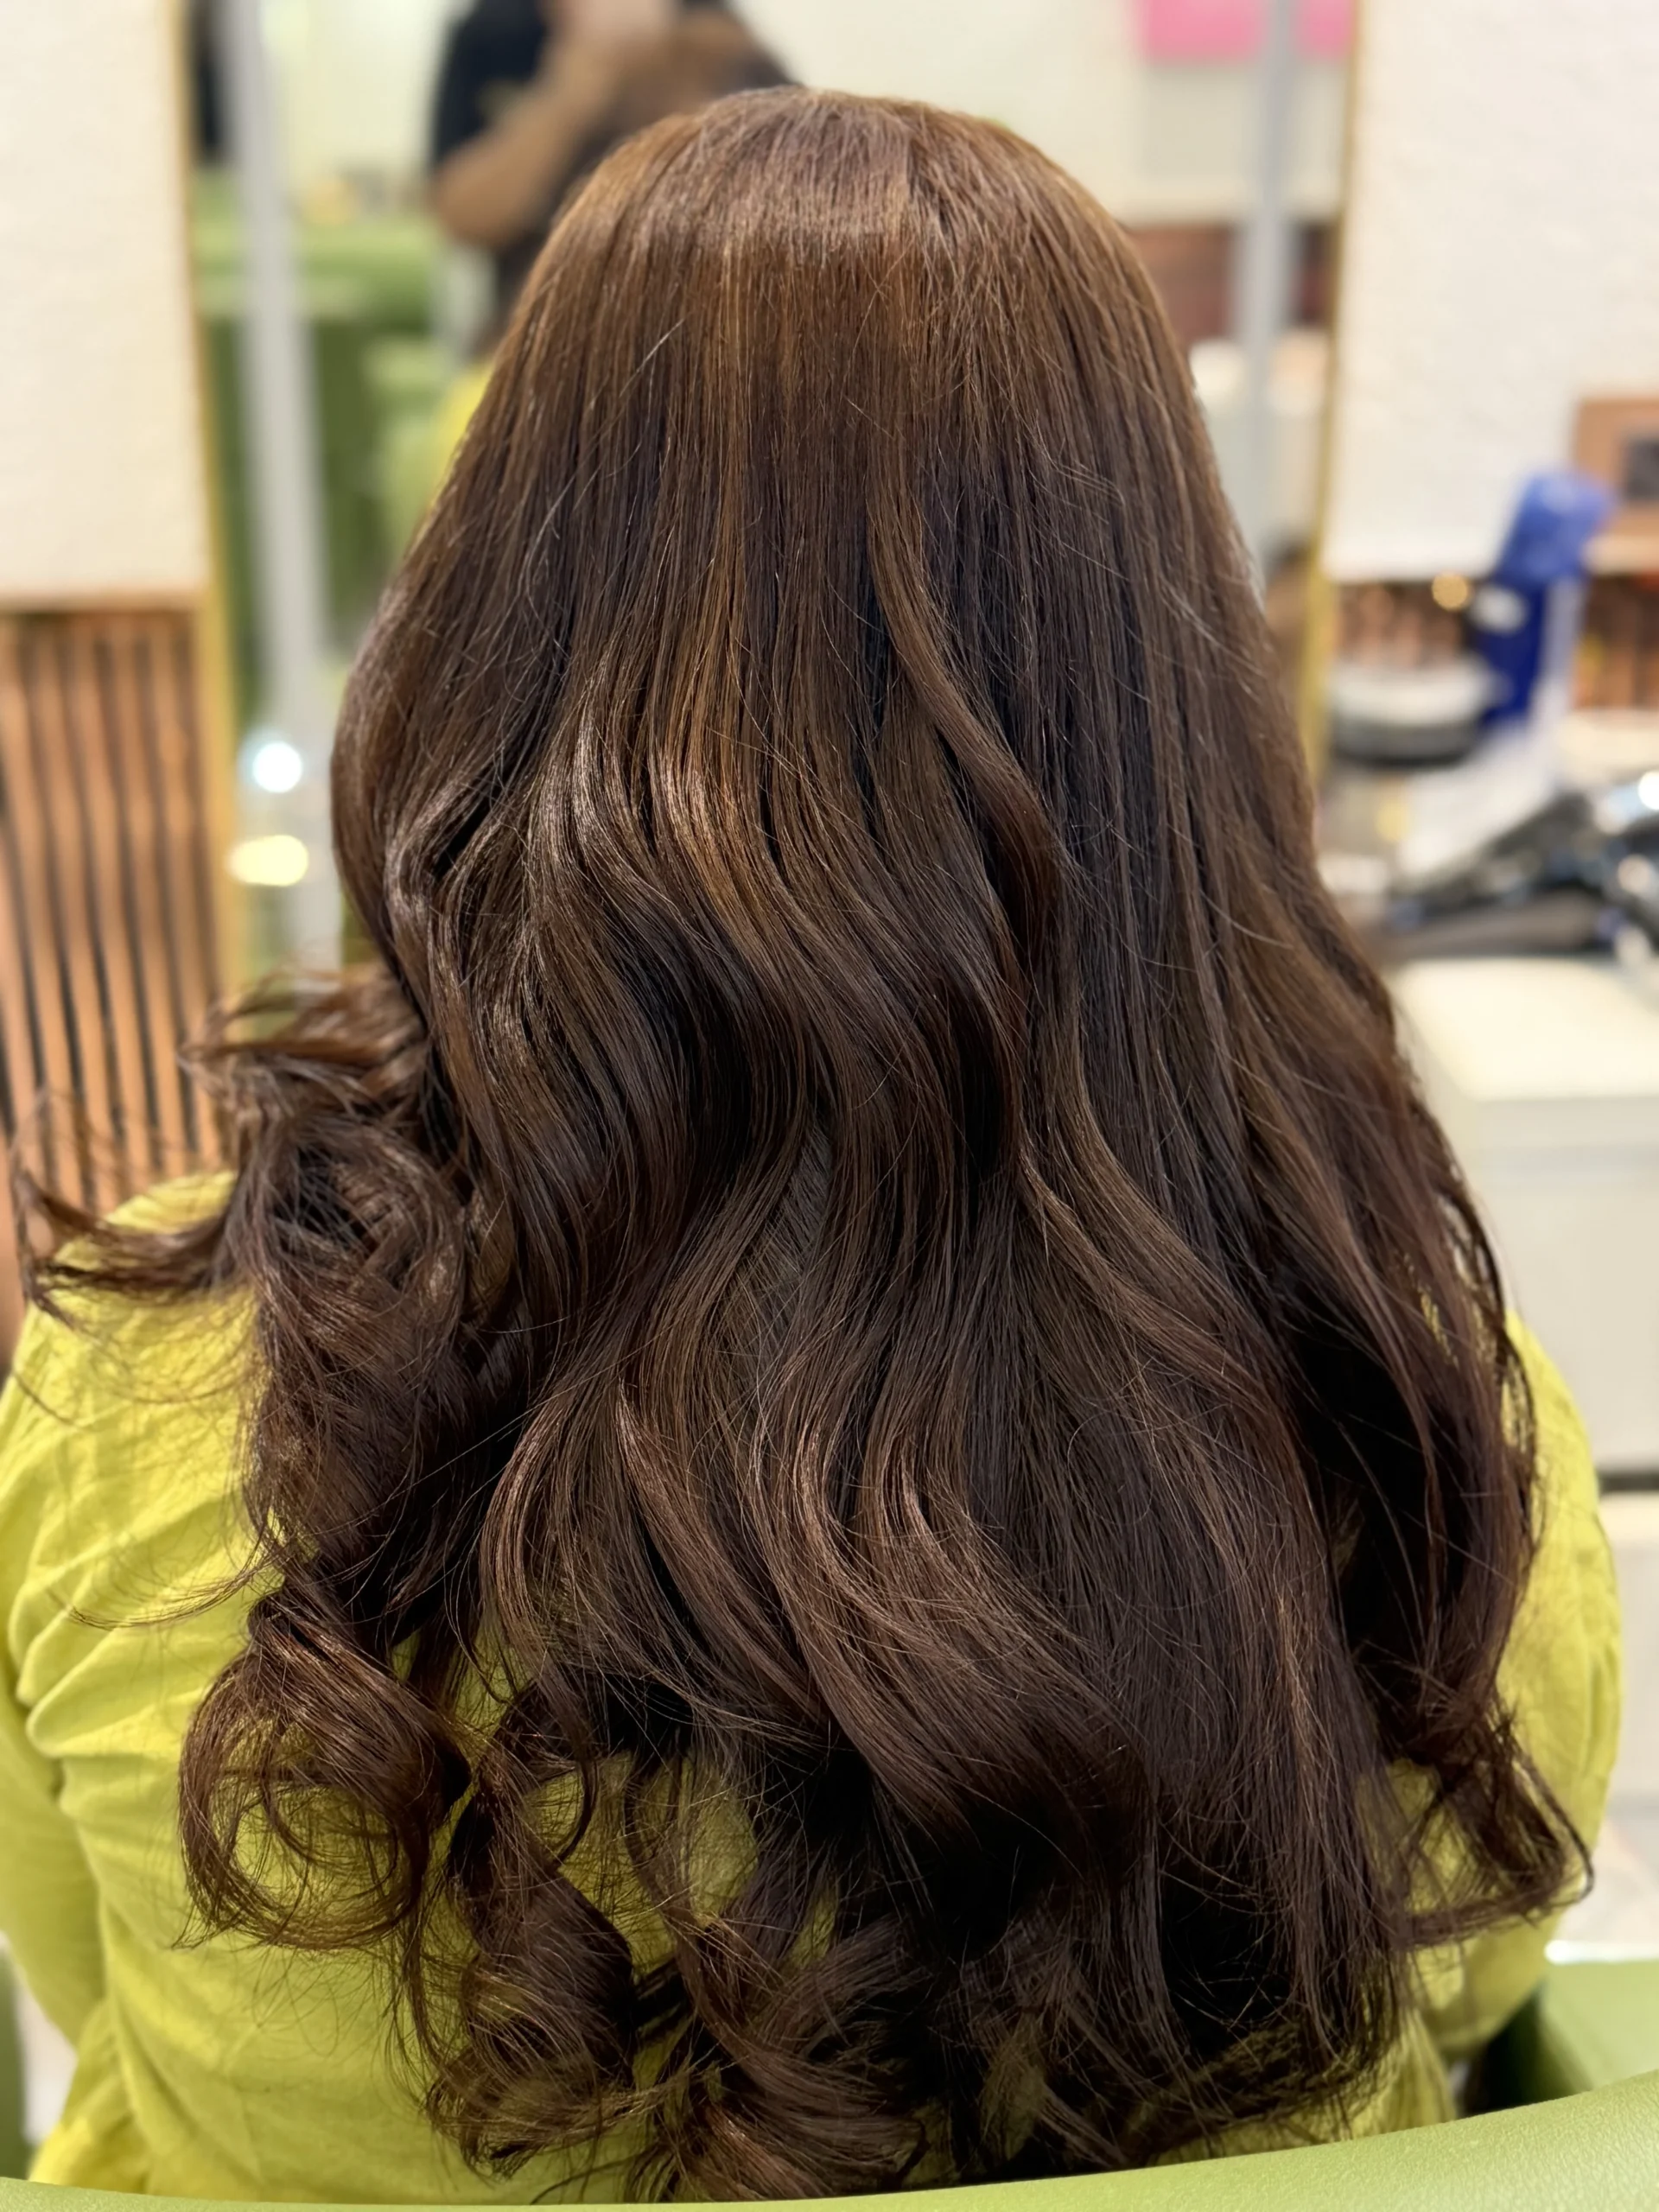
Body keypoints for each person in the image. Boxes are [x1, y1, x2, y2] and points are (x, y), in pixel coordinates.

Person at [0, 92, 1618, 2202]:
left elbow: (92, 1981)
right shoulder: (1421, 1450)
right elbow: (1469, 2001)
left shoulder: (132, 1397)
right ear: (1163, 705)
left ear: (485, 635)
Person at [429, 0, 788, 321]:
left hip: (688, 316)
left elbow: (785, 171)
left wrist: (669, 61)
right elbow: (458, 216)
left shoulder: (714, 25)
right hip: (528, 316)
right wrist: (567, 94)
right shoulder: (491, 29)